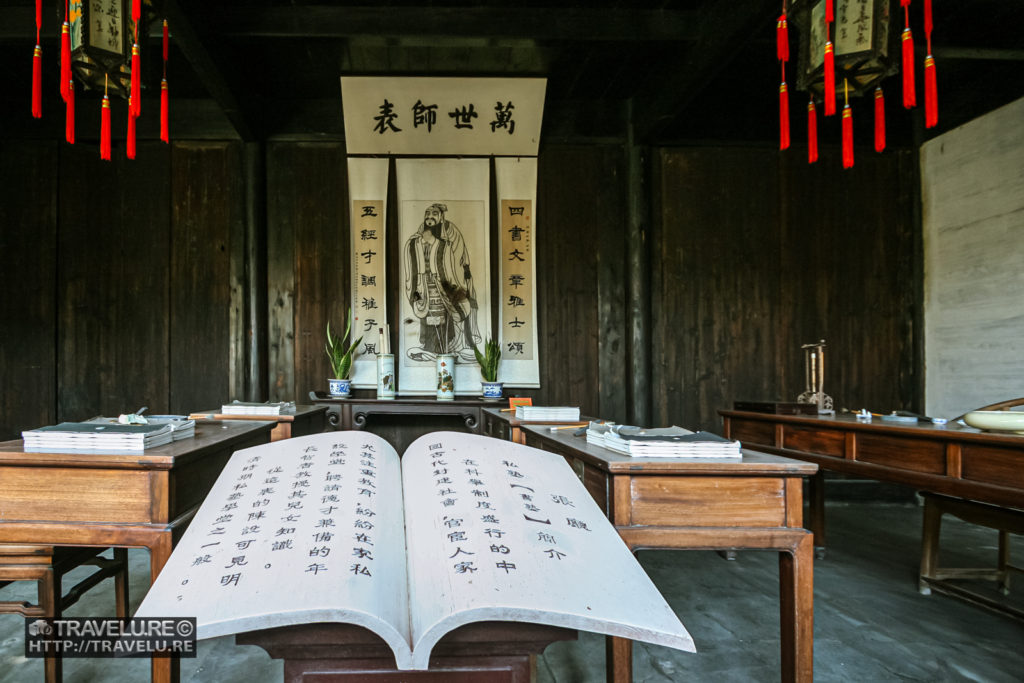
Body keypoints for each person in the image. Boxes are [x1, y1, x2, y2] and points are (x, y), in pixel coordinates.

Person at [404, 203, 481, 361]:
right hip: (422, 286)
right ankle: (428, 347)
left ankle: (446, 347)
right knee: (427, 314)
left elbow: (454, 261)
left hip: (441, 285)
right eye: (427, 213)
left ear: (441, 217)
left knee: (444, 315)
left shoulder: (447, 239)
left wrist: (453, 281)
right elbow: (410, 266)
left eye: (434, 214)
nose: (430, 216)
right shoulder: (414, 241)